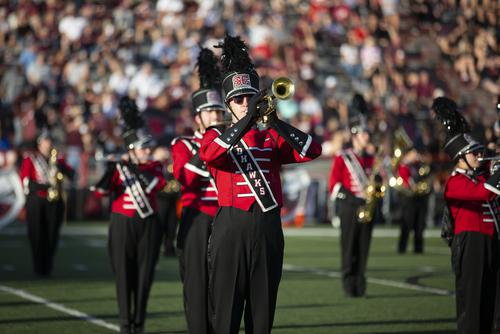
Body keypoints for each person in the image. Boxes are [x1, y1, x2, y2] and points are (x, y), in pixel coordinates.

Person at [200, 35, 322, 334]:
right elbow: (212, 155)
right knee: (226, 314)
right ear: (228, 104)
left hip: (268, 227)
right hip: (231, 227)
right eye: (239, 100)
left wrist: (274, 120)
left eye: (249, 98)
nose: (245, 104)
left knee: (262, 314)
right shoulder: (214, 135)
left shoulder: (270, 136)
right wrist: (247, 120)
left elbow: (313, 149)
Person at [91, 96, 166, 334]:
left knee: (145, 276)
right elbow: (101, 190)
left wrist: (132, 166)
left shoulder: (153, 167)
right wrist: (114, 166)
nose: (148, 151)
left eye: (148, 147)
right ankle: (125, 323)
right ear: (132, 149)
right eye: (144, 147)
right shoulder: (120, 167)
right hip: (122, 223)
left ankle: (139, 323)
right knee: (124, 273)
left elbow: (156, 185)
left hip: (149, 224)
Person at [433, 97, 500, 334]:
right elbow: (484, 194)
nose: (480, 156)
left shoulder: (480, 176)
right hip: (470, 243)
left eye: (480, 151)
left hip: (492, 241)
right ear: (461, 157)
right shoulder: (455, 182)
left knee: (490, 301)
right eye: (474, 153)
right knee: (471, 301)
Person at [171, 47, 224, 334]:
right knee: (196, 287)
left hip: (225, 220)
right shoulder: (184, 145)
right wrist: (210, 146)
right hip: (197, 221)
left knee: (224, 289)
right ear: (198, 119)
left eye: (219, 111)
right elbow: (184, 178)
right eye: (210, 113)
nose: (216, 117)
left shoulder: (230, 143)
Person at [328, 93, 378, 297]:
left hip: (367, 208)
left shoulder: (371, 159)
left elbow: (376, 181)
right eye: (365, 134)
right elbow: (334, 186)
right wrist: (353, 199)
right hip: (349, 208)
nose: (368, 137)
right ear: (356, 134)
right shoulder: (343, 158)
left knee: (364, 249)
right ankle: (349, 285)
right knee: (349, 249)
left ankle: (361, 284)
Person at [19, 130, 73, 276]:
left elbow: (72, 174)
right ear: (39, 143)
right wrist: (46, 186)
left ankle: (48, 265)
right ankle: (38, 266)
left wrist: (61, 169)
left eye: (50, 140)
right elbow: (25, 182)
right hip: (36, 201)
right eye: (46, 141)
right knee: (36, 234)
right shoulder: (31, 158)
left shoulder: (57, 159)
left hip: (54, 203)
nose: (48, 143)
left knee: (52, 234)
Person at [395, 145, 432, 254]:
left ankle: (418, 248)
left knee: (420, 224)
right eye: (413, 153)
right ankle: (402, 248)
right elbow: (405, 179)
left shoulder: (419, 165)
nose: (415, 155)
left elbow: (427, 175)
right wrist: (414, 186)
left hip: (420, 198)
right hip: (408, 198)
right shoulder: (404, 166)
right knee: (407, 223)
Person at [152, 146, 179, 257]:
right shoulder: (155, 166)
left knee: (172, 225)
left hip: (172, 199)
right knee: (159, 225)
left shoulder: (171, 165)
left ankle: (169, 248)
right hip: (160, 199)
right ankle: (155, 248)